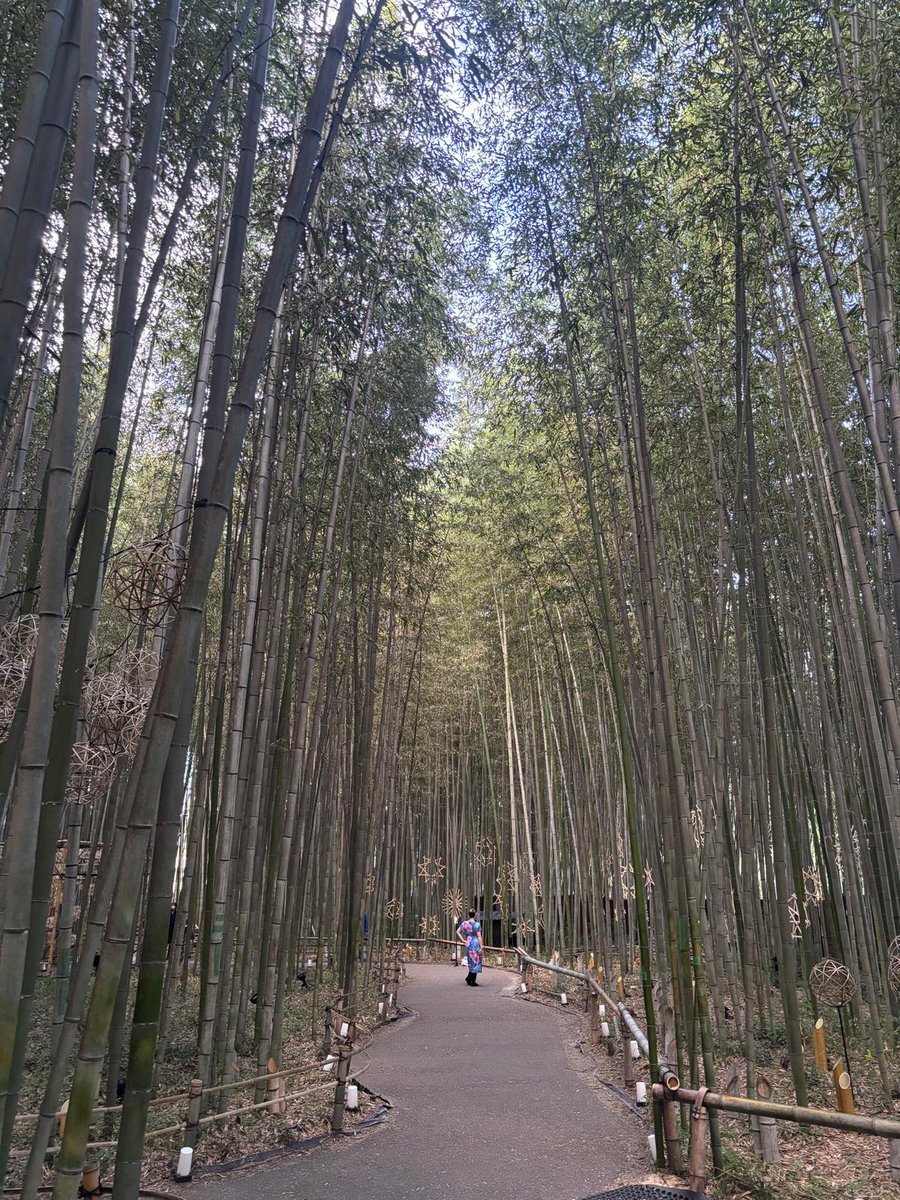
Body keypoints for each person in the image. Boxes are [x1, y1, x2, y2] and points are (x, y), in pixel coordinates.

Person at [456, 909, 483, 986]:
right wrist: (481, 947)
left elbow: (457, 932)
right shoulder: (477, 924)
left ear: (469, 915)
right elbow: (479, 936)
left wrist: (463, 940)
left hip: (468, 942)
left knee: (471, 961)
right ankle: (472, 981)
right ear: (475, 915)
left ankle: (469, 979)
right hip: (475, 943)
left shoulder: (464, 923)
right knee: (476, 961)